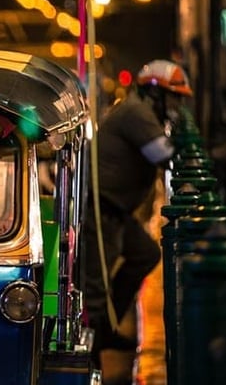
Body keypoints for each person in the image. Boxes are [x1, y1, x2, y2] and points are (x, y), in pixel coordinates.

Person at [82, 59, 193, 367]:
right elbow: (164, 155)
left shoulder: (140, 111)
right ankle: (92, 372)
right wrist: (218, 154)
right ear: (155, 93)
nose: (177, 106)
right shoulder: (137, 113)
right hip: (101, 210)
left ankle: (107, 326)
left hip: (115, 211)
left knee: (145, 253)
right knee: (94, 288)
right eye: (174, 97)